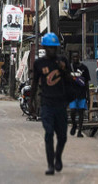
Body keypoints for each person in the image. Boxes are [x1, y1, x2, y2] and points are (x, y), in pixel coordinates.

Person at [29, 33, 71, 175]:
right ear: (45, 48)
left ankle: (58, 157)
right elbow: (35, 82)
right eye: (50, 48)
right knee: (48, 133)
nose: (52, 50)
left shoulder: (63, 61)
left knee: (62, 136)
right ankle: (50, 164)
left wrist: (63, 69)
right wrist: (31, 102)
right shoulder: (39, 63)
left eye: (55, 48)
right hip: (46, 103)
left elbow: (70, 80)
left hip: (61, 104)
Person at [68, 52, 91, 138]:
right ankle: (74, 124)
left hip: (82, 93)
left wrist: (88, 95)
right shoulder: (69, 68)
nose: (75, 58)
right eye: (74, 57)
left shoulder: (84, 68)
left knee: (81, 112)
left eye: (76, 57)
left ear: (79, 57)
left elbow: (87, 82)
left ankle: (79, 131)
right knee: (73, 111)